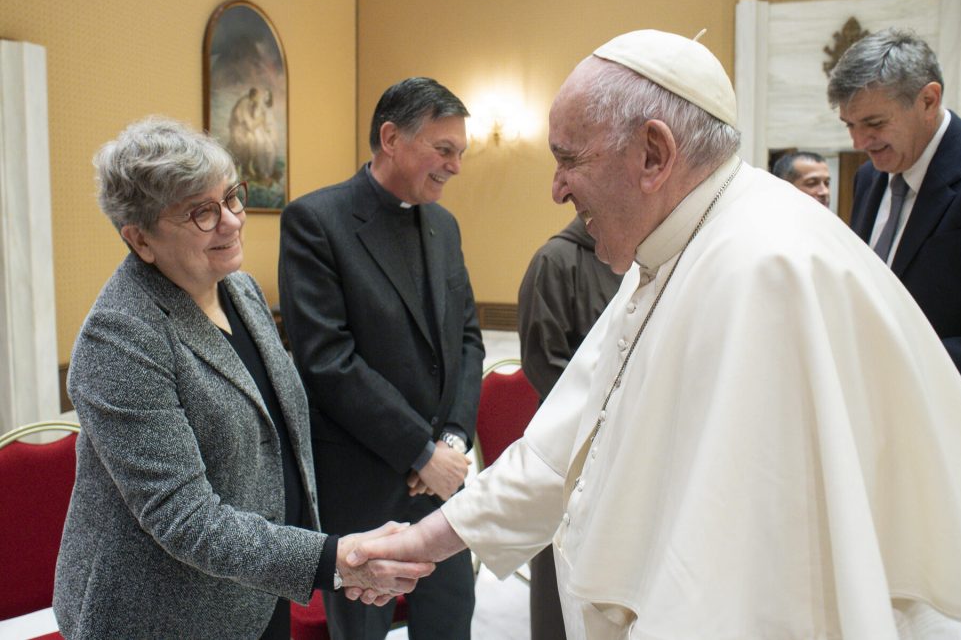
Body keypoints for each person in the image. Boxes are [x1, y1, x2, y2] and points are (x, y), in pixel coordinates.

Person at [346, 30, 961, 639]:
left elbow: (731, 580)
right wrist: (427, 539)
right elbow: (567, 437)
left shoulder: (760, 267)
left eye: (568, 159)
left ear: (653, 153)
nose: (556, 189)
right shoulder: (682, 238)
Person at [53, 118, 432, 639]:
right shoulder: (121, 337)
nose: (231, 221)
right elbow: (184, 517)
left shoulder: (240, 289)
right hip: (164, 616)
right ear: (140, 238)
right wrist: (334, 561)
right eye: (200, 213)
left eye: (231, 197)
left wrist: (336, 549)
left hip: (253, 590)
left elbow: (278, 439)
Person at [279, 77, 483, 640]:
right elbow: (327, 361)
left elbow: (468, 337)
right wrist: (417, 451)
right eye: (443, 150)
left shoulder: (444, 225)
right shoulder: (316, 221)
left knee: (450, 624)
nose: (455, 167)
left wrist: (452, 443)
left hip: (442, 485)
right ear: (391, 138)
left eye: (459, 153)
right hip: (365, 486)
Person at [829, 28, 961, 596]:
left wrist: (903, 359)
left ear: (929, 99)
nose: (861, 141)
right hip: (893, 451)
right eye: (850, 125)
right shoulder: (870, 178)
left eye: (875, 124)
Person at [517, 214, 622, 640]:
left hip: (628, 449)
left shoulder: (638, 262)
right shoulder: (556, 261)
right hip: (575, 446)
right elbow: (544, 363)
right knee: (561, 592)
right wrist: (612, 412)